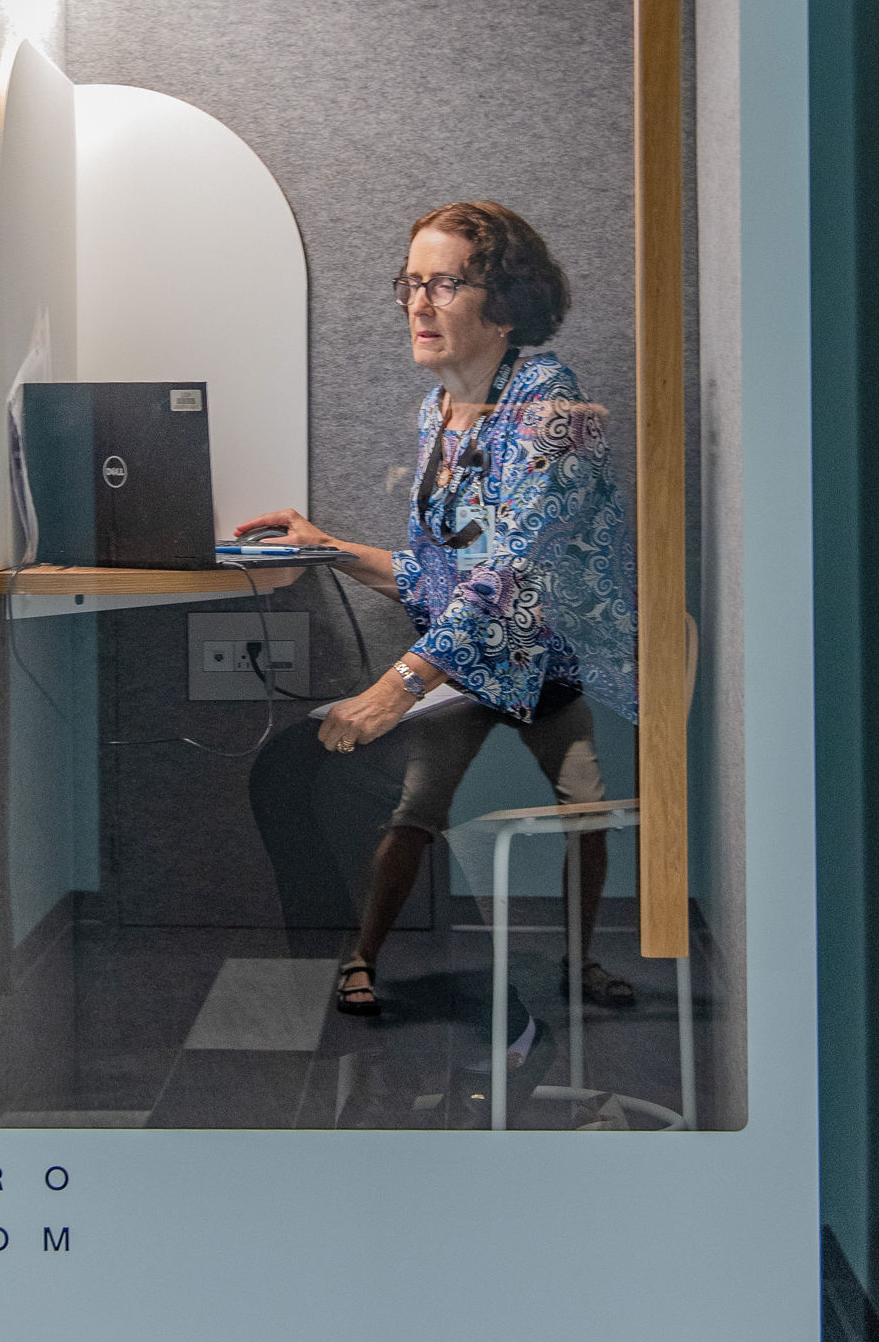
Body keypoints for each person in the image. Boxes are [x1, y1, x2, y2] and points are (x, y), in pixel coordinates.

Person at [240, 201, 637, 1052]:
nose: (418, 304)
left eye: (443, 283)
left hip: (547, 660)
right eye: (410, 284)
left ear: (503, 298)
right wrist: (328, 548)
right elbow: (437, 573)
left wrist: (396, 687)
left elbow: (511, 571)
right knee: (377, 797)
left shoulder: (547, 402)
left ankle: (551, 980)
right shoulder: (436, 415)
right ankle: (358, 959)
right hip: (471, 660)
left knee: (582, 806)